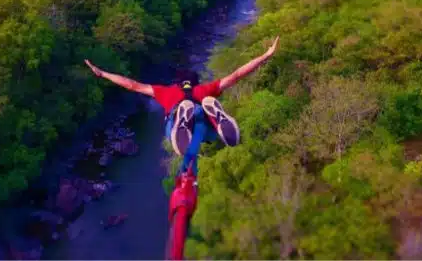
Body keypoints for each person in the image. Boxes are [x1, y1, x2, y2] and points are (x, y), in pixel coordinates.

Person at [84, 36, 280, 173]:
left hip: (178, 117)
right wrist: (266, 55)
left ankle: (181, 116)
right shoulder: (204, 89)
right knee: (204, 121)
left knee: (176, 126)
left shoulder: (166, 91)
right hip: (202, 116)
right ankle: (212, 115)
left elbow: (132, 85)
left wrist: (103, 73)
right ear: (195, 82)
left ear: (177, 83)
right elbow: (237, 74)